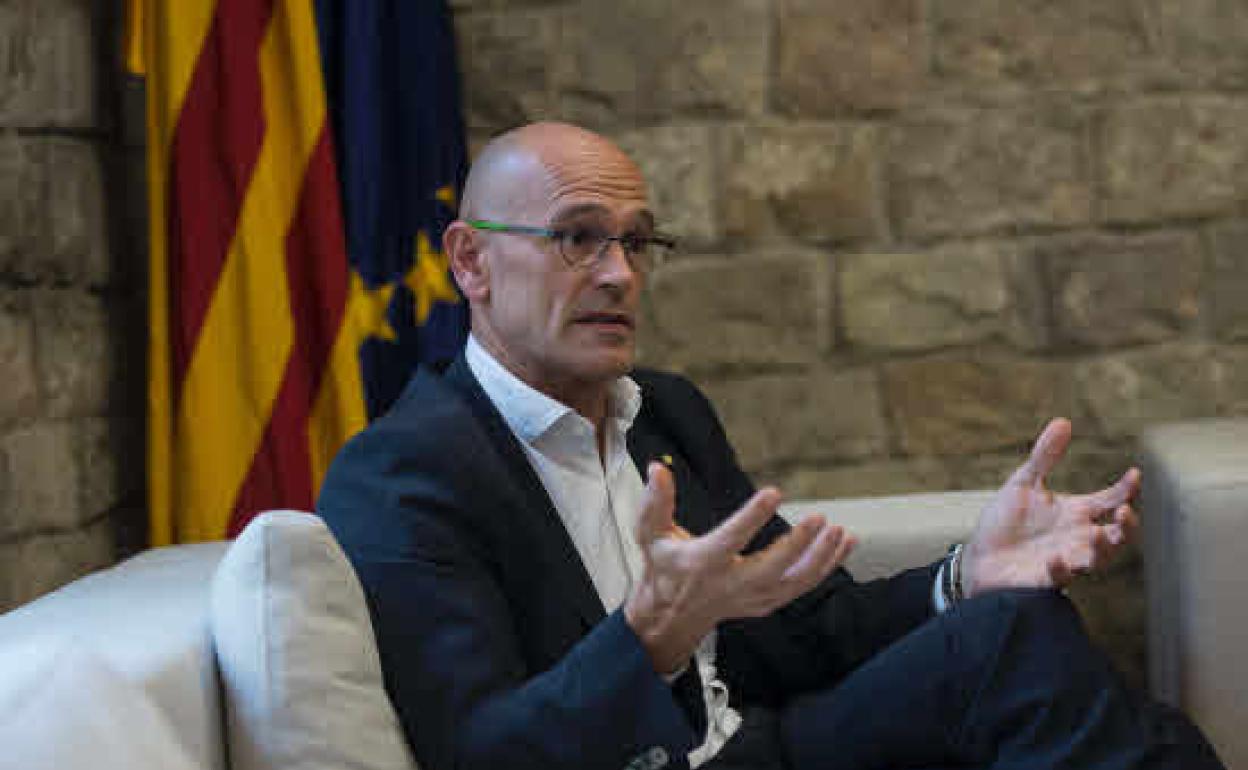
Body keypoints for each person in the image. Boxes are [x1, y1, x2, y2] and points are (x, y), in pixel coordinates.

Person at [317, 122, 1224, 770]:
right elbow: (480, 753)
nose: (620, 275)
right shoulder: (402, 475)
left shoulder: (664, 413)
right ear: (470, 261)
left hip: (759, 744)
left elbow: (811, 629)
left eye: (637, 242)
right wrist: (648, 640)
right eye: (578, 238)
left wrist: (966, 575)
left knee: (1016, 626)